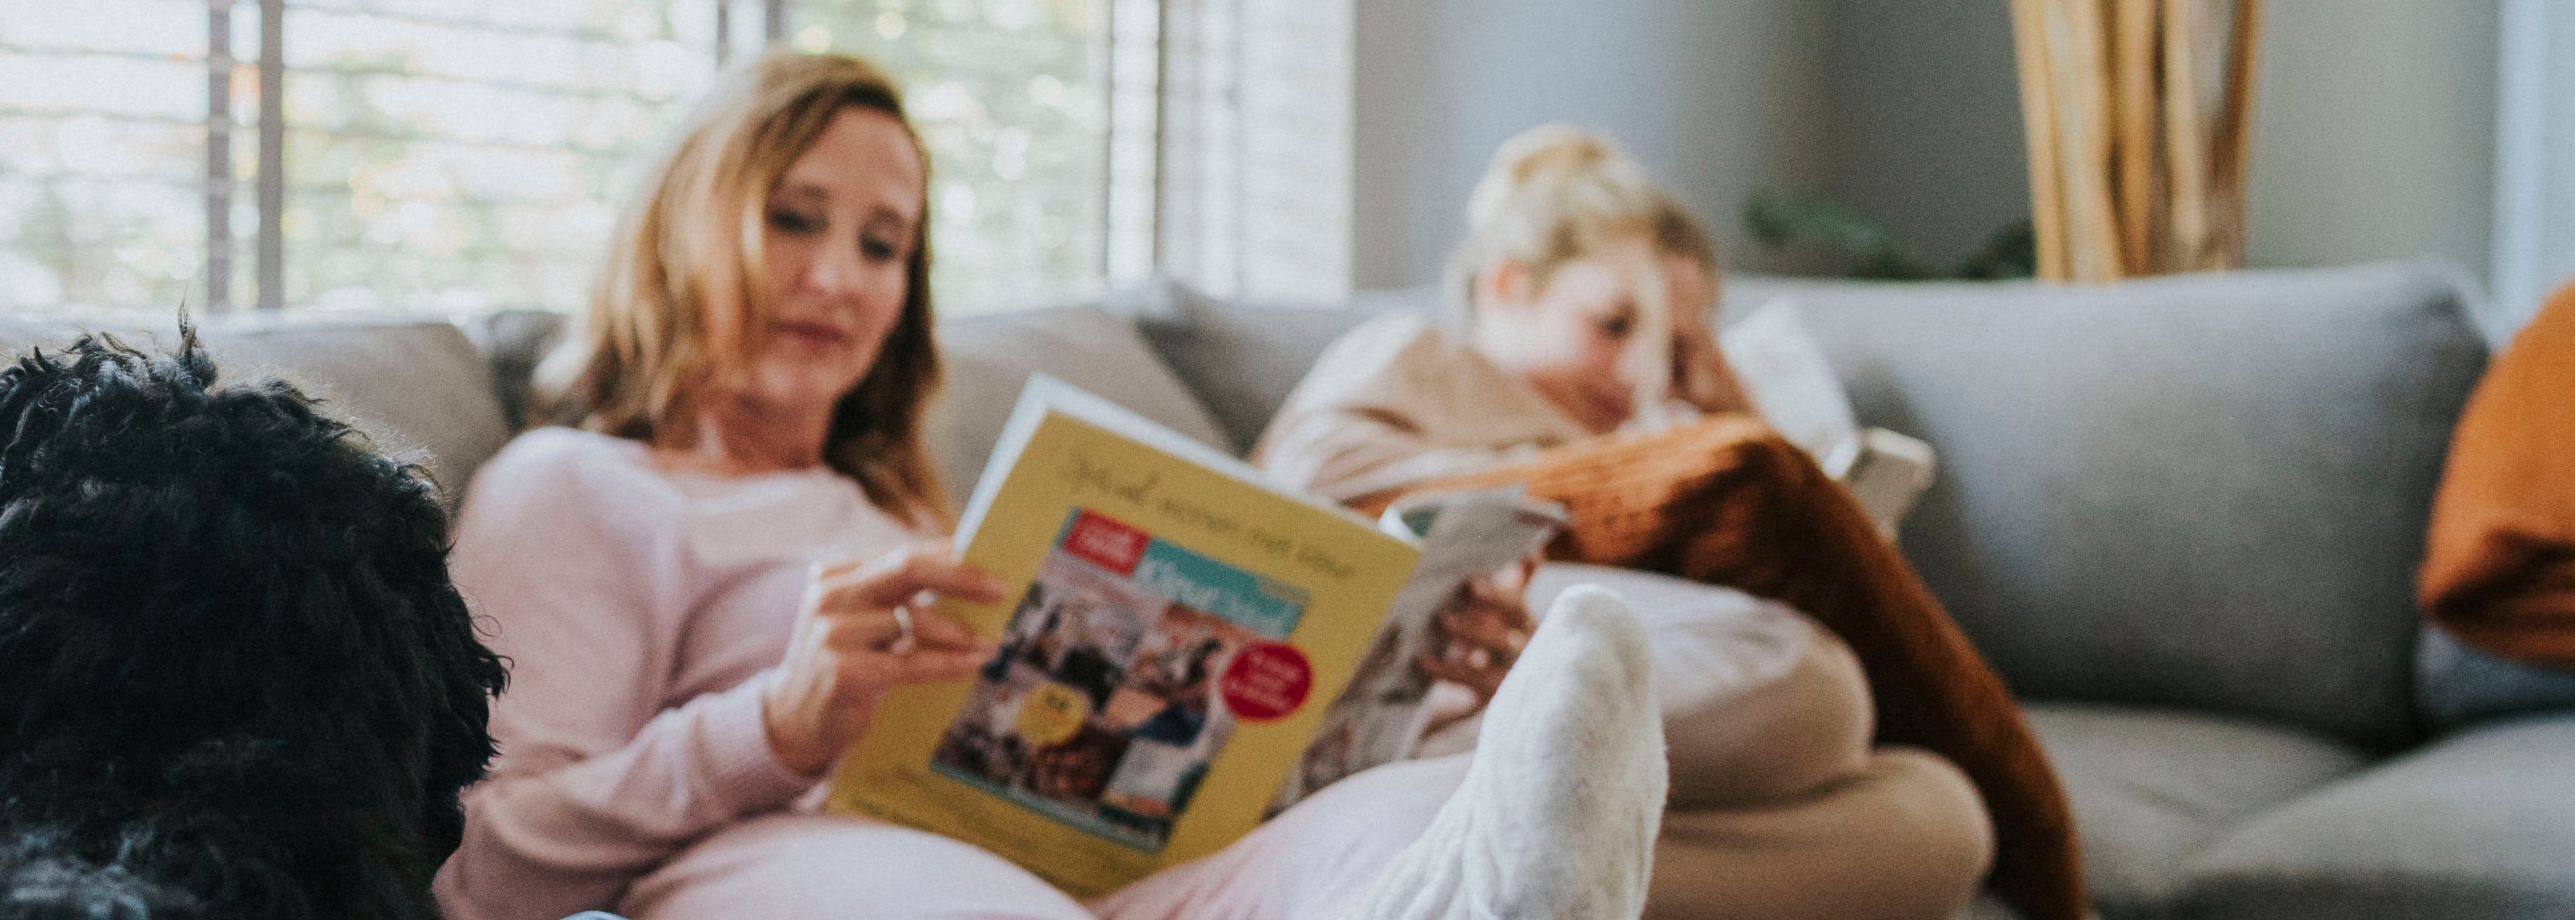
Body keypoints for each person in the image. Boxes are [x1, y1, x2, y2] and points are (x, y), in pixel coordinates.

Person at [439, 52, 1676, 920]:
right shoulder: (577, 485)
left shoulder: (903, 519)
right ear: (679, 225)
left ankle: (1489, 877)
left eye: (883, 243)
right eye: (795, 217)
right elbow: (475, 869)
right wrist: (772, 725)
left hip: (1092, 859)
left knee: (1437, 798)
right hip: (776, 850)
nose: (839, 276)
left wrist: (1396, 687)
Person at [1252, 125, 2074, 920]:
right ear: (1508, 284)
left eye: (1673, 350)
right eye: (1613, 324)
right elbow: (1303, 493)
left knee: (1943, 816)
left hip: (1586, 760)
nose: (1636, 372)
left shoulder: (1641, 440)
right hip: (1424, 713)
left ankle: (1497, 887)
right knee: (1809, 687)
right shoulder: (1421, 361)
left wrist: (1737, 426)